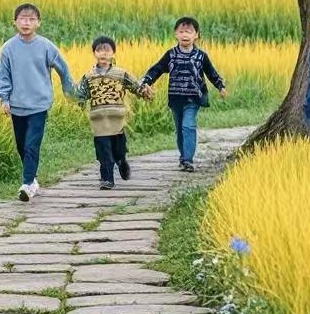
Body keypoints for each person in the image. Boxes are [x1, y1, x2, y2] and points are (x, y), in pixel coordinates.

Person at [0, 2, 77, 201]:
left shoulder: (46, 46)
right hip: (17, 105)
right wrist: (4, 98)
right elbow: (3, 76)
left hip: (39, 104)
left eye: (31, 19)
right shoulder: (8, 48)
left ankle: (26, 184)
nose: (26, 23)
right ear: (14, 22)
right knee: (22, 146)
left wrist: (70, 92)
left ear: (38, 23)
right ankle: (32, 180)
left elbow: (63, 69)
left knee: (32, 144)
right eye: (22, 19)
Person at [142, 16, 226, 172]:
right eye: (181, 31)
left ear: (196, 35)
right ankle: (183, 157)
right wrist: (146, 81)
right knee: (180, 128)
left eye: (189, 31)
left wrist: (220, 86)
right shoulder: (171, 54)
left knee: (188, 126)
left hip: (192, 98)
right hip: (175, 98)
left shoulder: (201, 56)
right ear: (176, 34)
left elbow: (210, 72)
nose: (185, 35)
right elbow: (157, 69)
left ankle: (188, 159)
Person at [75, 35, 152, 190]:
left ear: (113, 53)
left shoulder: (120, 73)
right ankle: (107, 179)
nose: (103, 54)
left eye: (107, 51)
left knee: (118, 148)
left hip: (116, 117)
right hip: (98, 119)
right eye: (99, 51)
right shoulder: (89, 76)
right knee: (103, 150)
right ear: (94, 53)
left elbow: (135, 86)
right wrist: (79, 104)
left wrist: (144, 91)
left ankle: (122, 161)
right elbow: (81, 94)